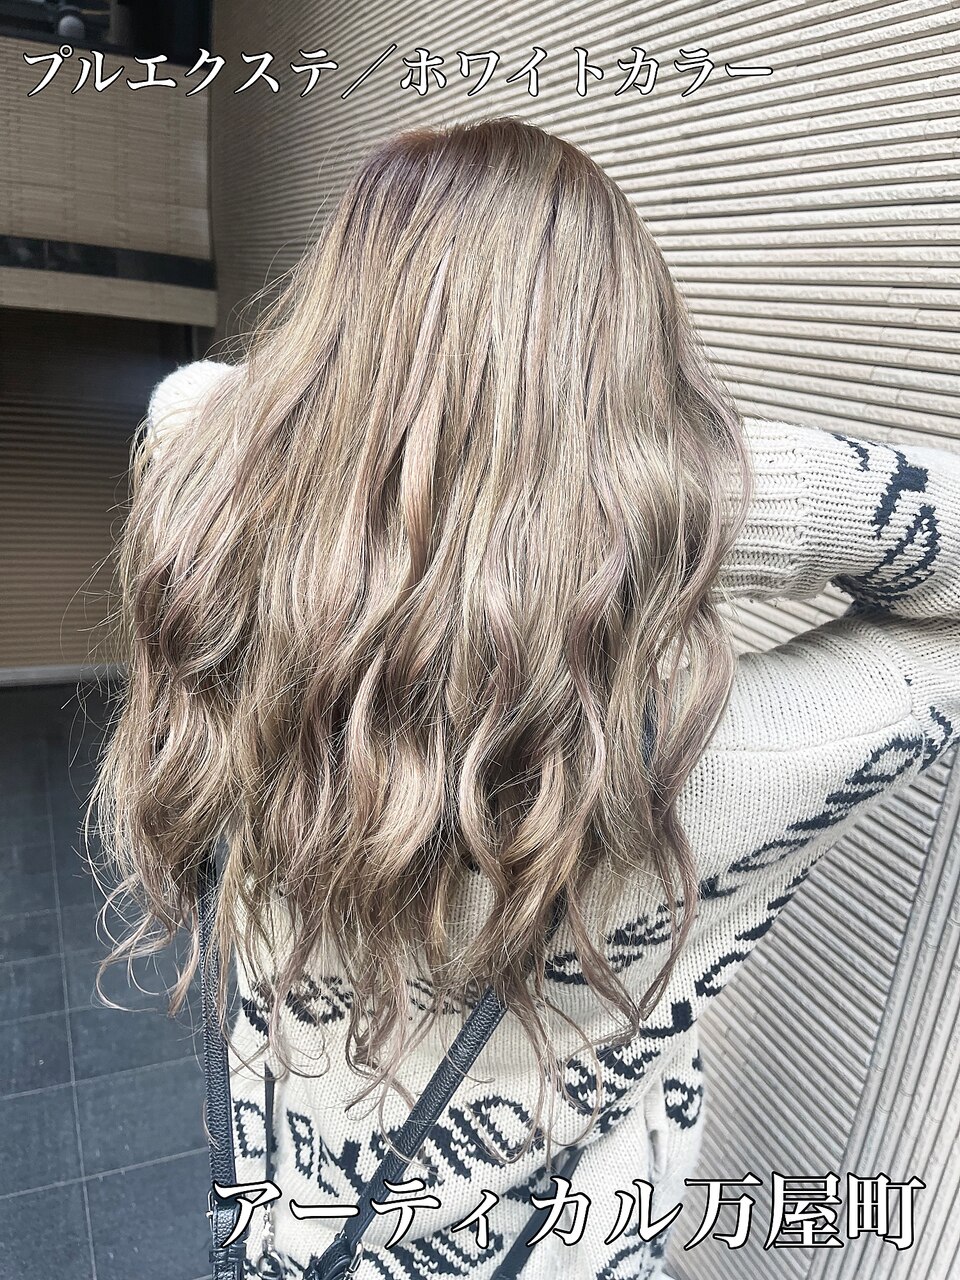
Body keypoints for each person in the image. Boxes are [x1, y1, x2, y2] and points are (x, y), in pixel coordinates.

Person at [87, 117, 960, 1280]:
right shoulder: (715, 766)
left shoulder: (243, 666)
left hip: (292, 1234)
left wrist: (375, 441)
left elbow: (190, 406)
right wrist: (664, 502)